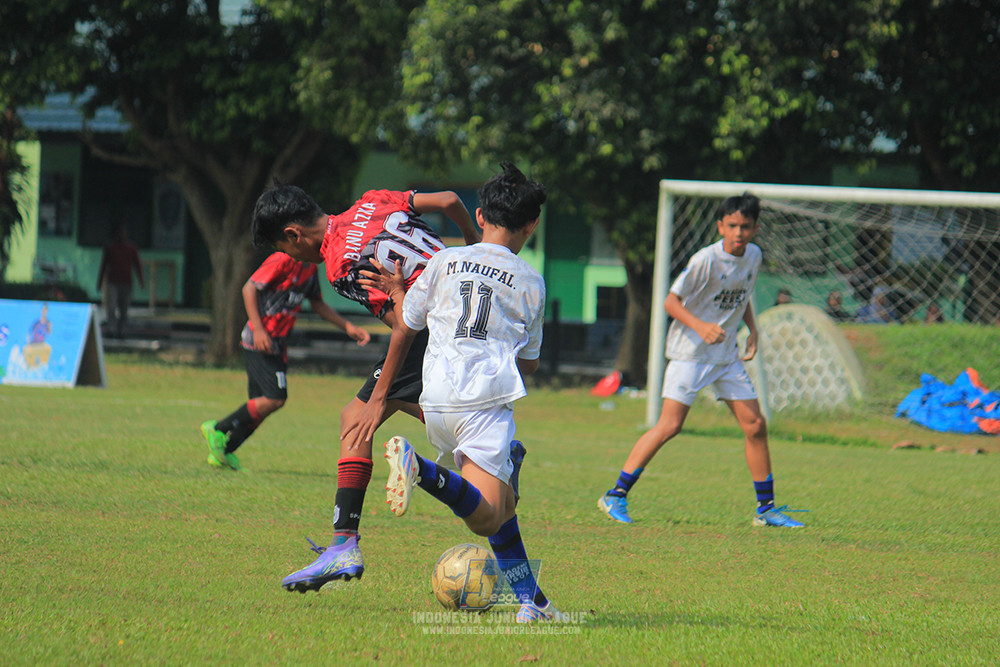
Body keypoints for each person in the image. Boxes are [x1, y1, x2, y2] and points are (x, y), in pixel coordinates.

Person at [250, 183, 480, 592]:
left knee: (359, 416)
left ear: (293, 235)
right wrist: (475, 252)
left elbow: (403, 324)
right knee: (402, 407)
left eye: (286, 251)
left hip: (435, 324)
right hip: (472, 308)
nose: (293, 258)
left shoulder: (340, 264)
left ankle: (343, 544)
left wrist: (377, 400)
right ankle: (489, 445)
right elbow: (448, 201)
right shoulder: (373, 200)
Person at [360, 162, 563, 623]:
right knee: (486, 516)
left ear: (479, 216)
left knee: (505, 505)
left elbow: (405, 329)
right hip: (484, 403)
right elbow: (527, 363)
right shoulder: (531, 281)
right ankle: (422, 471)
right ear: (532, 224)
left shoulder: (444, 261)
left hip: (435, 400)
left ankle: (532, 603)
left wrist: (380, 397)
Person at [597, 192, 806, 528]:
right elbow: (670, 302)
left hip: (725, 357)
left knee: (756, 425)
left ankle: (765, 510)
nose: (739, 232)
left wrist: (752, 330)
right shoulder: (705, 261)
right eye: (733, 225)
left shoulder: (753, 256)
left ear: (755, 229)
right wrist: (701, 326)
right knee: (670, 426)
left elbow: (743, 295)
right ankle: (615, 495)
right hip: (690, 354)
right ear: (721, 226)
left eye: (746, 226)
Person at [200, 251, 371, 471]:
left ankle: (224, 451)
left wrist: (348, 327)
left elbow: (317, 303)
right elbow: (249, 288)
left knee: (262, 406)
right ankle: (218, 429)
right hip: (259, 341)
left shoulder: (309, 268)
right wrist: (259, 330)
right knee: (275, 398)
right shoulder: (282, 259)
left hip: (277, 344)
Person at [96, 224, 144, 338]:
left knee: (124, 309)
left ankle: (122, 331)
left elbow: (137, 265)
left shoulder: (131, 248)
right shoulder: (110, 248)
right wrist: (100, 282)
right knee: (111, 307)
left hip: (126, 283)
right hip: (113, 282)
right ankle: (112, 329)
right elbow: (104, 266)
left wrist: (141, 280)